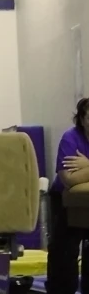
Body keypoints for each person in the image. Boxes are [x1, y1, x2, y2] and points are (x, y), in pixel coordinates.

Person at [47, 97, 89, 294]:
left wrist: (87, 166)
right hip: (64, 201)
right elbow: (69, 179)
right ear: (82, 119)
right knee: (64, 251)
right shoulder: (70, 138)